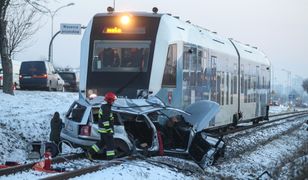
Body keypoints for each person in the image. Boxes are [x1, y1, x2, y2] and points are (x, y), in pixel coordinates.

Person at [87, 92, 117, 160]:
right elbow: (106, 121)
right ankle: (110, 158)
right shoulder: (106, 108)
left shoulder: (104, 106)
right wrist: (109, 130)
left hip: (103, 130)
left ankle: (90, 152)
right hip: (106, 130)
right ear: (109, 100)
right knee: (110, 144)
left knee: (102, 143)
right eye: (113, 100)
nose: (114, 102)